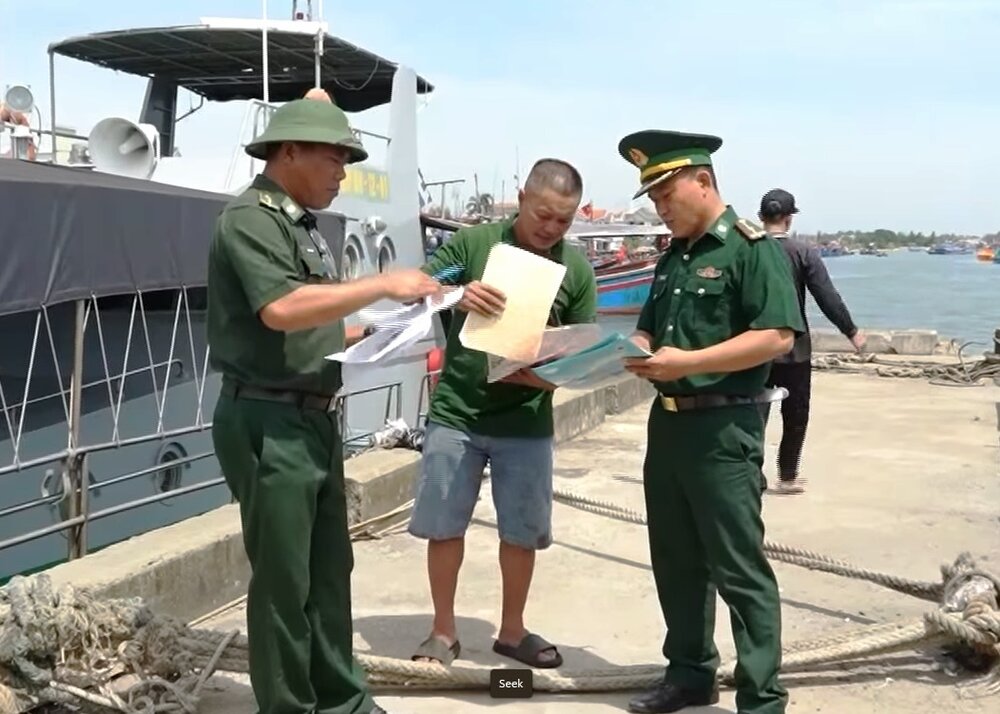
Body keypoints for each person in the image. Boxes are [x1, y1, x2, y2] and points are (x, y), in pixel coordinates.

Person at [206, 98, 440, 714]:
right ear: (289, 152)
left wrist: (382, 333)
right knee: (285, 581)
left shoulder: (303, 226)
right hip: (267, 420)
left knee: (330, 570)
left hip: (311, 415)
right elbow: (280, 309)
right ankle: (288, 706)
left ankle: (342, 699)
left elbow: (310, 328)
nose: (342, 172)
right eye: (335, 158)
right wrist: (385, 283)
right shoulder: (250, 219)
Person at [618, 130, 805, 714]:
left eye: (666, 194)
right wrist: (637, 348)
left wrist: (688, 362)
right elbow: (649, 325)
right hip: (668, 426)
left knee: (738, 566)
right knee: (674, 558)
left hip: (724, 430)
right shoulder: (673, 257)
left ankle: (760, 696)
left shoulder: (751, 248)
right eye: (652, 199)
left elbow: (777, 335)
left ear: (703, 182)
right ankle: (690, 674)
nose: (660, 208)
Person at [407, 159, 597, 669]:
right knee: (444, 526)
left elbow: (583, 350)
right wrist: (456, 294)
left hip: (527, 419)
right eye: (543, 215)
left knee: (523, 532)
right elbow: (418, 288)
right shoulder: (474, 246)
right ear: (521, 198)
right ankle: (443, 632)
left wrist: (544, 371)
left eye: (564, 221)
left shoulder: (575, 270)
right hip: (458, 415)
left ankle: (512, 632)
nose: (551, 228)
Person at [757, 188, 865, 494]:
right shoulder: (803, 252)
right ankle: (787, 476)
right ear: (789, 219)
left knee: (753, 415)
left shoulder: (746, 251)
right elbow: (826, 297)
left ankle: (752, 477)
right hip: (794, 349)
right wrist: (851, 331)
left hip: (752, 349)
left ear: (761, 218)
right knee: (795, 416)